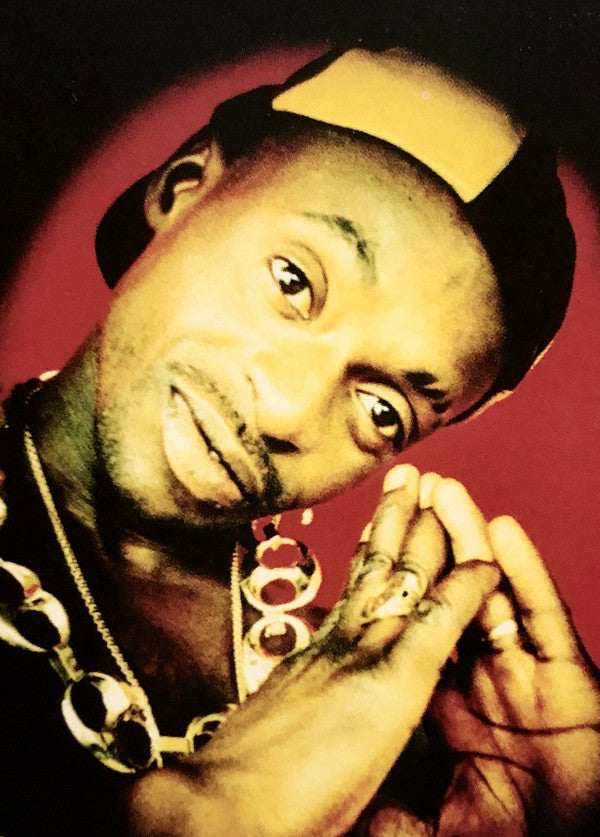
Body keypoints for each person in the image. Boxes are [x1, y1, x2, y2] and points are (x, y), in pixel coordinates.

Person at [0, 45, 598, 835]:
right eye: (293, 283)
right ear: (183, 188)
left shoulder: (383, 729)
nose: (287, 409)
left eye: (381, 409)